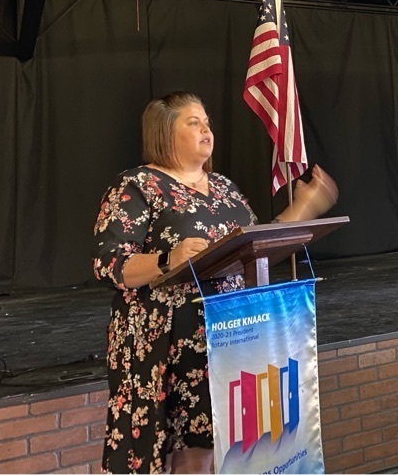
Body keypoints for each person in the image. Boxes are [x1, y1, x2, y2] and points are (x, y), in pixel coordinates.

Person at [93, 91, 338, 474]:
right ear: (164, 132)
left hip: (230, 338)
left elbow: (255, 244)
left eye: (207, 122)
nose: (206, 129)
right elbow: (108, 263)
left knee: (215, 444)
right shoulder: (139, 186)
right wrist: (166, 259)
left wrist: (305, 208)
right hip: (167, 345)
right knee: (186, 449)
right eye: (193, 122)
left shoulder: (224, 188)